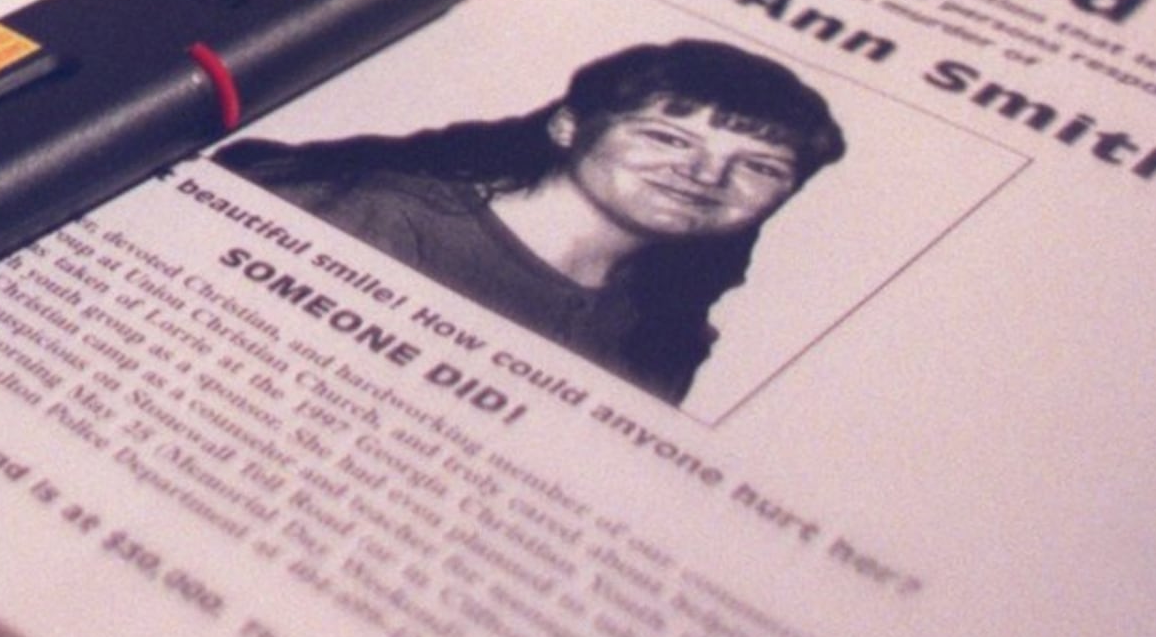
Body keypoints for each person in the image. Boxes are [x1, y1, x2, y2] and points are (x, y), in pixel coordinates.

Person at [217, 37, 845, 405]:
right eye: (666, 137)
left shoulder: (662, 337)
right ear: (569, 126)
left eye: (759, 166)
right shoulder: (375, 216)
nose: (705, 176)